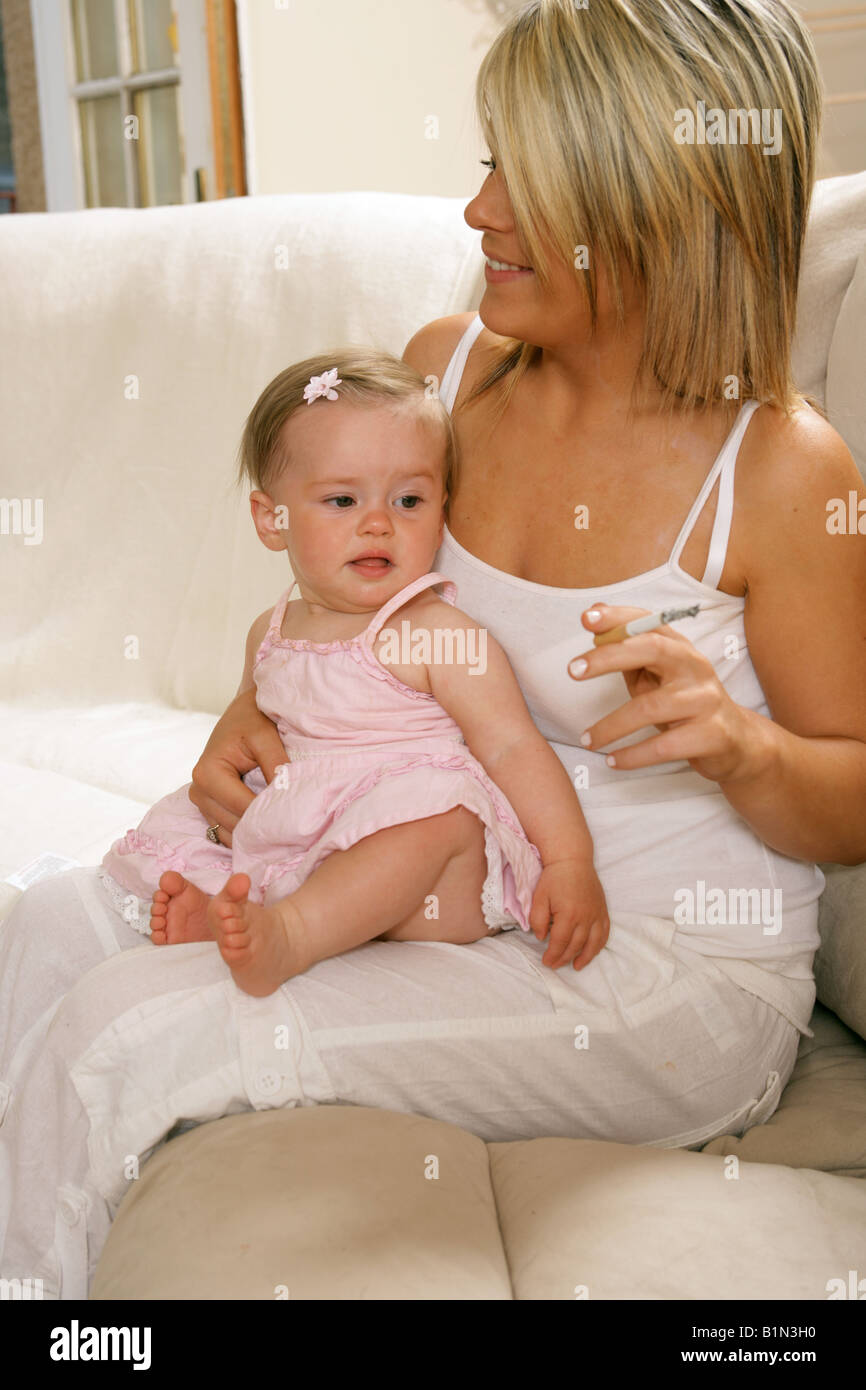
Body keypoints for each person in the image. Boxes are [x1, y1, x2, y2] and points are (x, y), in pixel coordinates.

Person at [2, 0, 865, 1299]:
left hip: (653, 978)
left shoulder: (779, 470)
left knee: (120, 1036)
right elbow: (365, 603)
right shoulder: (448, 373)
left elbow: (849, 794)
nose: (479, 214)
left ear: (657, 198)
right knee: (46, 929)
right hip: (426, 884)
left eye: (528, 174)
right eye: (485, 163)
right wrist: (250, 703)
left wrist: (740, 750)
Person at [98, 349, 609, 995]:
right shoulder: (270, 630)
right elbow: (255, 735)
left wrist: (569, 861)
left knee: (436, 819)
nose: (378, 523)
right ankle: (236, 914)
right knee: (201, 822)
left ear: (443, 507)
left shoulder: (436, 634)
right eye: (342, 499)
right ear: (271, 519)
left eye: (409, 499)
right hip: (307, 849)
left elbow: (513, 746)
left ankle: (293, 935)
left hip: (430, 887)